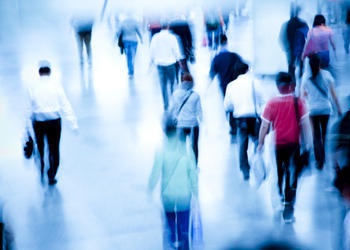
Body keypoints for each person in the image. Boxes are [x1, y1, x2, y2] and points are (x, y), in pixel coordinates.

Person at [258, 72, 309, 223]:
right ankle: (288, 206)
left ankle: (280, 195)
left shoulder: (272, 103)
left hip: (277, 145)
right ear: (290, 86)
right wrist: (309, 144)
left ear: (277, 86)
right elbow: (306, 125)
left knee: (279, 172)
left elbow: (264, 126)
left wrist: (260, 143)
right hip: (294, 144)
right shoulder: (298, 102)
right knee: (292, 174)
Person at [148, 117, 198, 250]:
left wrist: (150, 187)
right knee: (184, 226)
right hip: (184, 194)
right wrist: (196, 191)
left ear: (164, 131)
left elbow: (156, 171)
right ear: (176, 129)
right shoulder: (186, 148)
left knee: (170, 224)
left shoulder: (161, 149)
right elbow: (192, 172)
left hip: (167, 194)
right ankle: (184, 245)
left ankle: (173, 243)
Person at [26, 61, 78, 185]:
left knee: (40, 147)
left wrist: (26, 130)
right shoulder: (56, 86)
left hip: (38, 121)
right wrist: (73, 123)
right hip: (54, 121)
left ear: (39, 72)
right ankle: (52, 174)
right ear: (50, 72)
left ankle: (41, 166)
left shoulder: (32, 87)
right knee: (54, 148)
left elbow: (28, 109)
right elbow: (65, 105)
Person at [300, 54, 342, 170]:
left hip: (312, 110)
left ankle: (320, 160)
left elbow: (303, 95)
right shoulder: (327, 75)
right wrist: (338, 108)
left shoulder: (305, 77)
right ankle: (324, 154)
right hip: (326, 109)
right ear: (319, 63)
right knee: (324, 133)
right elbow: (333, 95)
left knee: (316, 135)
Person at [224, 62, 264, 180]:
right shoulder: (255, 83)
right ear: (247, 70)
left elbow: (227, 106)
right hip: (254, 117)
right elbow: (262, 100)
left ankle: (245, 170)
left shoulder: (231, 85)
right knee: (258, 141)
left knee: (242, 144)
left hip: (240, 118)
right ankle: (259, 163)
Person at [209, 34, 245, 140]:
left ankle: (232, 126)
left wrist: (206, 87)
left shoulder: (216, 58)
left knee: (228, 105)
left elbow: (211, 74)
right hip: (236, 84)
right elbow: (244, 67)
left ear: (218, 44)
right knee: (237, 102)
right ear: (227, 42)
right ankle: (239, 122)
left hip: (224, 86)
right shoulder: (234, 56)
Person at [169, 73, 202, 164]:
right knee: (194, 146)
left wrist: (173, 118)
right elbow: (199, 112)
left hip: (180, 124)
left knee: (181, 146)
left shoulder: (175, 94)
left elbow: (172, 109)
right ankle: (194, 165)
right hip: (193, 124)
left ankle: (182, 165)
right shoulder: (196, 96)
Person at [149, 22, 184, 110]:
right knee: (173, 83)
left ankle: (166, 104)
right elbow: (176, 50)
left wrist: (152, 60)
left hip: (160, 64)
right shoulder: (172, 37)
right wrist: (179, 61)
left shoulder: (155, 37)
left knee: (163, 85)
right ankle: (173, 100)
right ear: (168, 26)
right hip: (170, 63)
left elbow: (152, 50)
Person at [279, 4, 309, 81]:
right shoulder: (302, 23)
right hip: (298, 49)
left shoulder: (287, 24)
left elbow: (282, 38)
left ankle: (294, 85)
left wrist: (286, 48)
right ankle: (298, 83)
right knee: (298, 68)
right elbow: (308, 37)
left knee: (292, 68)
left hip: (293, 49)